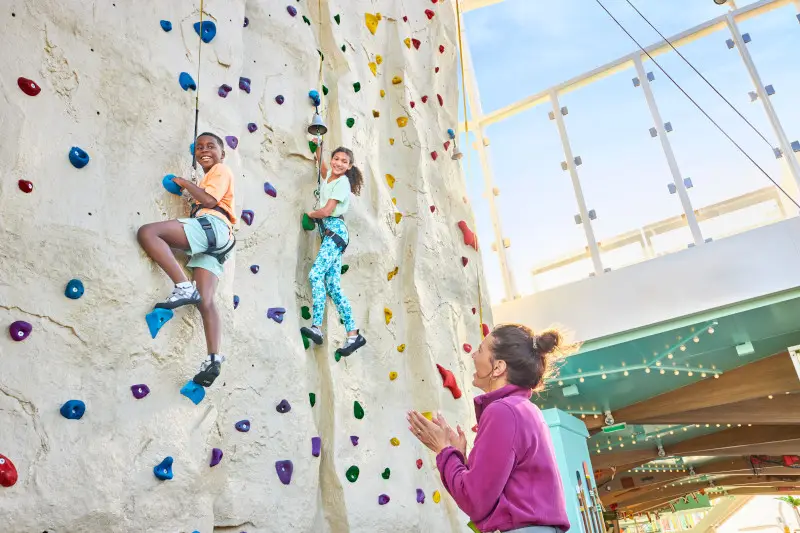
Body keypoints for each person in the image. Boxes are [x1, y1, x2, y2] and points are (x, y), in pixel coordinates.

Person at [407, 324, 572, 533]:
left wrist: (443, 449)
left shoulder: (503, 411)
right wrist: (460, 458)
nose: (474, 355)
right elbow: (498, 489)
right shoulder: (524, 409)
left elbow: (475, 500)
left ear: (498, 367)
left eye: (481, 350)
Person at [137, 132, 236, 387]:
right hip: (220, 242)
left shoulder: (221, 170)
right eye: (200, 147)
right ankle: (213, 358)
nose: (205, 150)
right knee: (206, 301)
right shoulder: (211, 176)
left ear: (222, 154)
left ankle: (182, 285)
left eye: (211, 146)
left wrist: (183, 182)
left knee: (148, 232)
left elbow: (210, 200)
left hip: (212, 226)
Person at [300, 144, 366, 357]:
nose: (338, 163)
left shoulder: (343, 182)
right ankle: (354, 335)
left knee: (315, 274)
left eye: (344, 161)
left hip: (334, 231)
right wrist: (318, 141)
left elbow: (327, 210)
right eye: (336, 159)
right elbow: (322, 167)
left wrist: (311, 214)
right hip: (333, 233)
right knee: (333, 286)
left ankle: (316, 327)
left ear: (349, 166)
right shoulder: (330, 176)